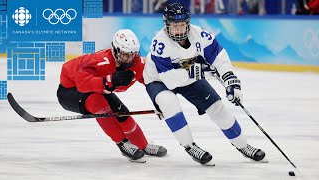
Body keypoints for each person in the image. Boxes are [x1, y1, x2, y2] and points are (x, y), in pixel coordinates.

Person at [143, 2, 266, 165]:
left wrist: (230, 80)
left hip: (190, 78)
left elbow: (218, 56)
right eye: (175, 26)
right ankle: (190, 146)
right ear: (166, 25)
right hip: (159, 80)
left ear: (188, 23)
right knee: (169, 102)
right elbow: (170, 79)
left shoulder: (199, 34)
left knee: (218, 108)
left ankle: (243, 145)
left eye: (182, 25)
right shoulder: (159, 43)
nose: (179, 30)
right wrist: (201, 71)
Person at [57, 29, 167, 161]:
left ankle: (142, 145)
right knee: (98, 104)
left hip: (98, 88)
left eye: (132, 54)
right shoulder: (101, 61)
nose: (129, 58)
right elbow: (81, 83)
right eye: (125, 54)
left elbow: (151, 82)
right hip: (70, 89)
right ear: (115, 50)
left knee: (122, 112)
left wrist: (160, 100)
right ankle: (123, 144)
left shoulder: (136, 63)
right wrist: (108, 80)